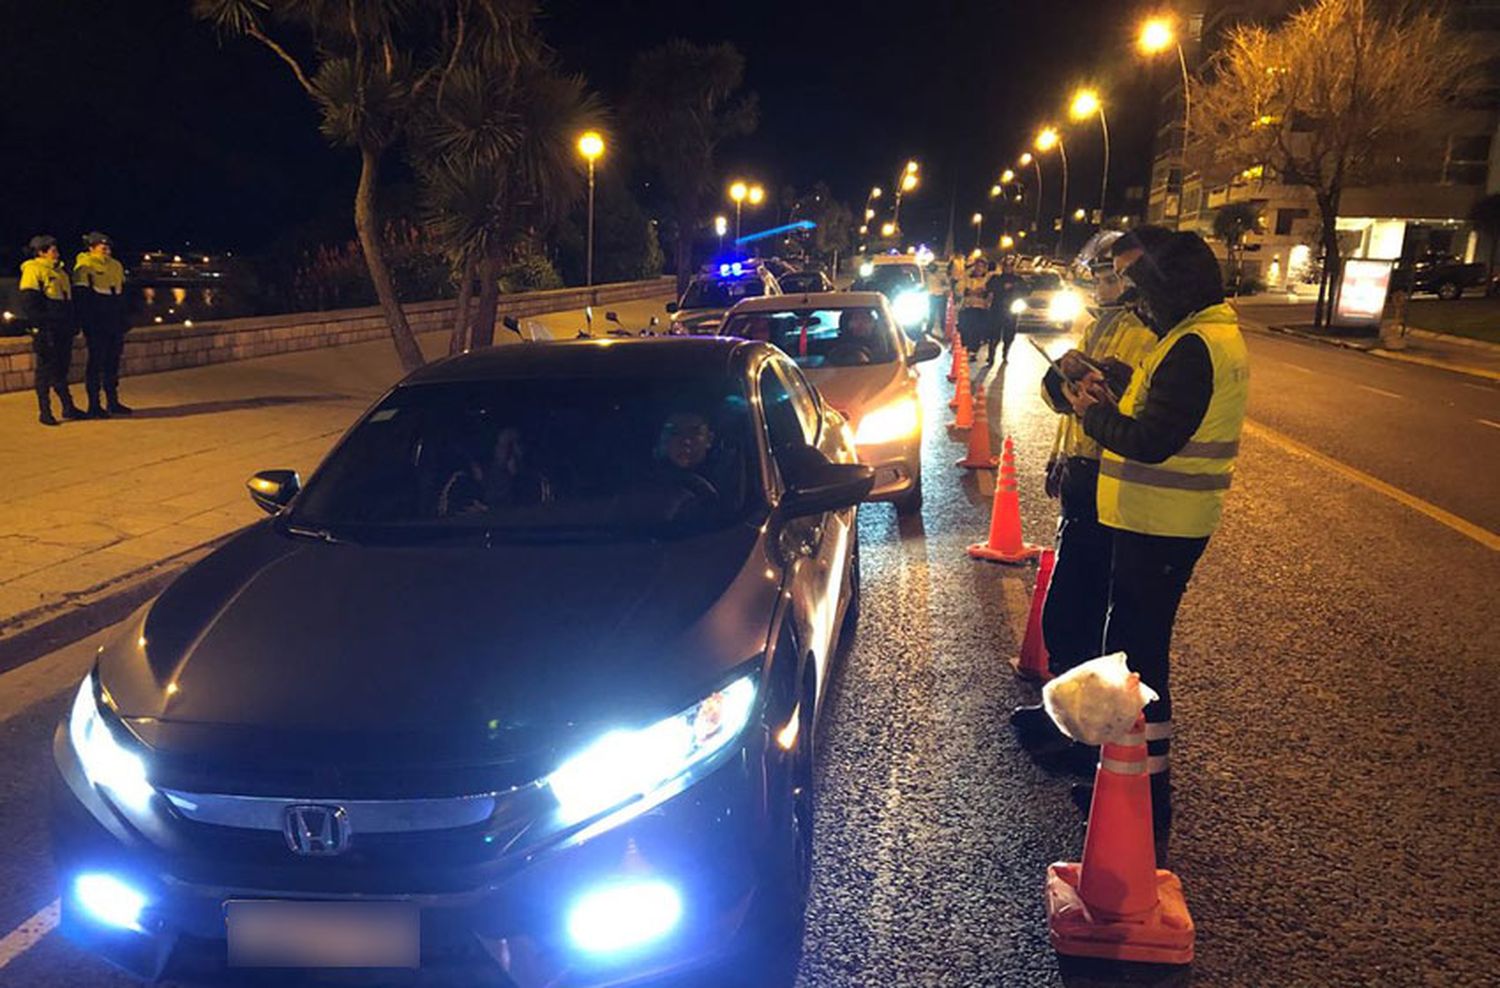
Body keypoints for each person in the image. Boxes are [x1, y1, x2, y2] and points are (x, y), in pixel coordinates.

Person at [1064, 230, 1249, 845]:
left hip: (1163, 527)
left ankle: (1145, 799)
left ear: (1174, 286)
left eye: (1143, 289)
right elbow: (1155, 405)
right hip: (1154, 523)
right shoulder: (1193, 334)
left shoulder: (1197, 344)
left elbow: (1152, 440)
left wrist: (1092, 413)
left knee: (1140, 661)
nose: (1137, 304)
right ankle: (1128, 784)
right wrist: (1111, 383)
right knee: (1134, 652)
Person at [1010, 228, 1167, 761]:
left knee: (1090, 609)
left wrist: (1110, 388)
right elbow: (1070, 404)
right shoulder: (1101, 324)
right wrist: (1061, 387)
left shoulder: (1147, 331)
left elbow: (1142, 412)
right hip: (1084, 474)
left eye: (1106, 275)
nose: (1097, 284)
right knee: (1068, 605)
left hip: (1115, 483)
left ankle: (1088, 734)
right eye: (1096, 275)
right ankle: (1067, 715)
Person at [18, 235, 83, 426]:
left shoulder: (60, 272)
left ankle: (68, 407)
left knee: (62, 369)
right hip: (47, 328)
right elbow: (30, 303)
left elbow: (68, 301)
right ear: (41, 252)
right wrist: (42, 326)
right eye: (52, 250)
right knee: (45, 371)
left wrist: (72, 323)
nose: (56, 252)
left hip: (63, 327)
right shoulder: (33, 269)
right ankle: (45, 411)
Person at [72, 232, 132, 416]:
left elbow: (124, 295)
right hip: (96, 323)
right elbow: (81, 299)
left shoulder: (116, 265)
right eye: (100, 245)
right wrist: (85, 323)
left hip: (114, 322)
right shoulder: (84, 266)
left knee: (112, 363)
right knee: (96, 363)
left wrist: (125, 319)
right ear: (91, 248)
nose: (105, 248)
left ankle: (113, 402)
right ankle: (94, 405)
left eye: (107, 245)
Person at [438, 426, 550, 516]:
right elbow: (446, 518)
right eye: (506, 446)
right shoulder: (462, 482)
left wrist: (491, 513)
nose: (513, 452)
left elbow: (543, 515)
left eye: (518, 444)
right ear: (493, 449)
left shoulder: (536, 484)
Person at [984, 254, 1026, 364]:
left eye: (1010, 266)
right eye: (1006, 266)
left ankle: (1005, 354)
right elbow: (989, 287)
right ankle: (991, 357)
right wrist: (1001, 287)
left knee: (1009, 335)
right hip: (997, 310)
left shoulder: (1018, 280)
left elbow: (1026, 290)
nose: (1008, 268)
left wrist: (1015, 287)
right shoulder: (996, 278)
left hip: (1011, 311)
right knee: (994, 335)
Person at [957, 257, 991, 358]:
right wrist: (968, 291)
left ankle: (973, 350)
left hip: (981, 308)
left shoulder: (988, 279)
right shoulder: (967, 277)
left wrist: (983, 293)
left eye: (981, 267)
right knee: (965, 328)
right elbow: (959, 289)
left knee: (977, 330)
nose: (979, 269)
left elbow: (989, 292)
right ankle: (965, 347)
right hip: (968, 307)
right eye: (977, 266)